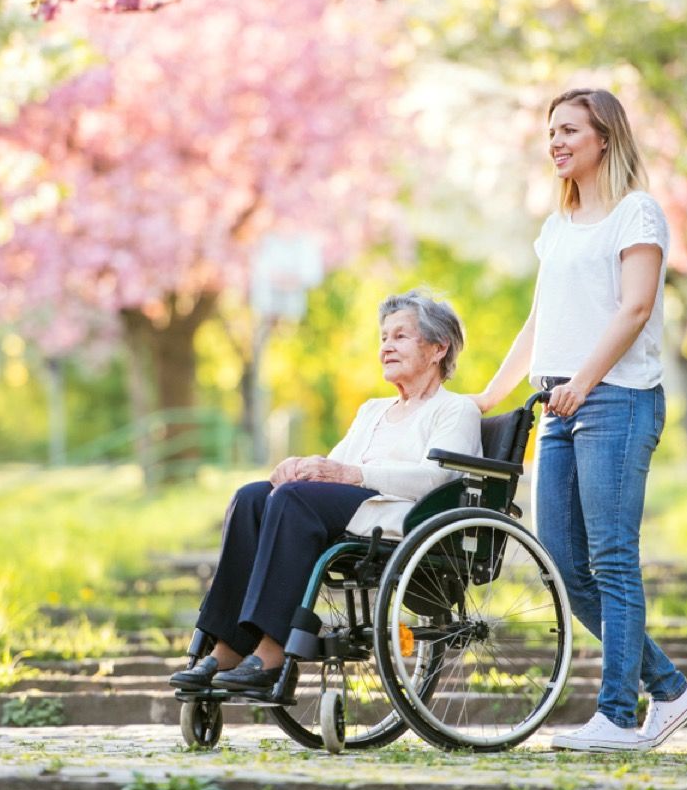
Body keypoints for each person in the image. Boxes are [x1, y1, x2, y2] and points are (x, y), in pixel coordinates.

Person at [473, 88, 687, 752]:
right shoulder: (557, 228)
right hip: (559, 406)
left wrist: (583, 380)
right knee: (566, 567)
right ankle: (670, 689)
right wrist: (488, 396)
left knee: (610, 558)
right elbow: (541, 323)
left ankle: (619, 715)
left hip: (618, 401)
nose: (556, 141)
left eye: (570, 129)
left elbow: (633, 311)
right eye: (551, 132)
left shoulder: (638, 214)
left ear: (605, 137)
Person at [171, 290, 482, 692]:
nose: (386, 345)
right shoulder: (372, 410)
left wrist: (352, 474)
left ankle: (272, 652)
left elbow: (436, 479)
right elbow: (334, 468)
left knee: (293, 501)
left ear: (438, 348)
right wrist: (298, 468)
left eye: (400, 336)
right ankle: (227, 645)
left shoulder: (455, 410)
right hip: (354, 510)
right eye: (383, 337)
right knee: (253, 496)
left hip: (402, 516)